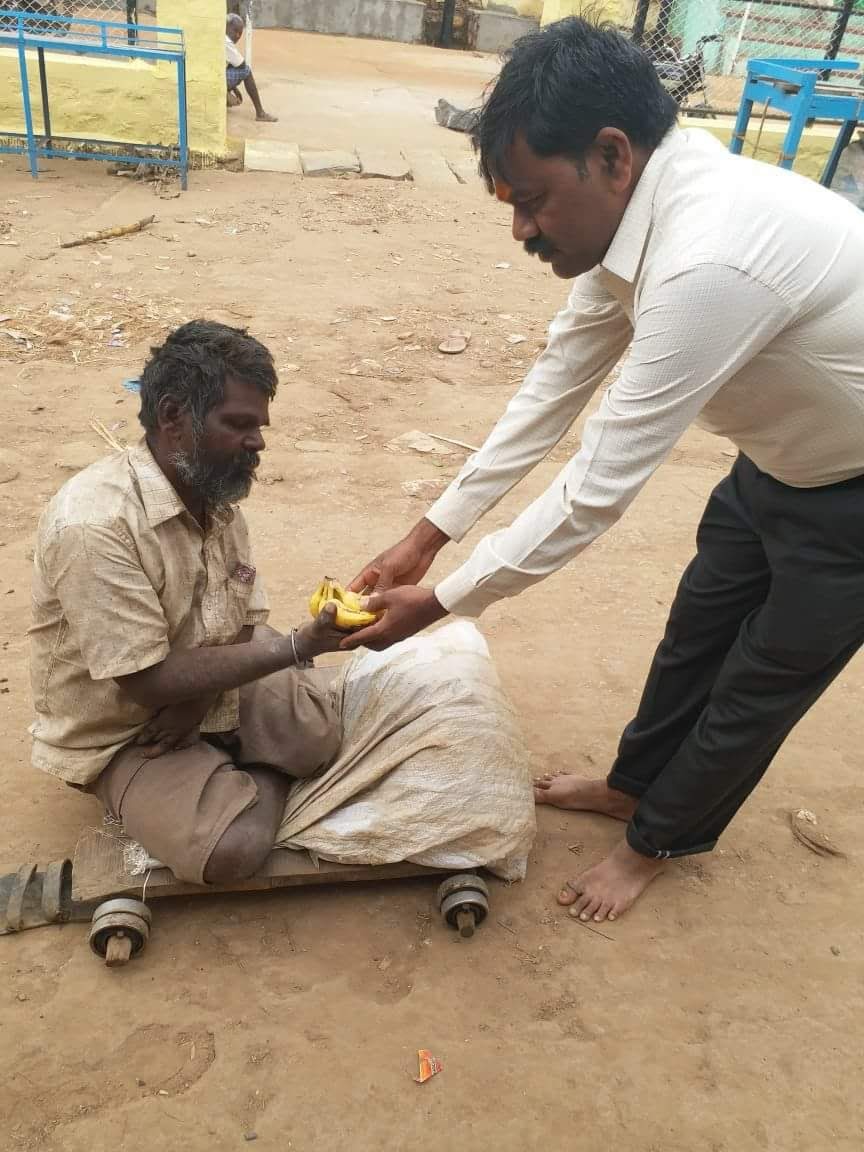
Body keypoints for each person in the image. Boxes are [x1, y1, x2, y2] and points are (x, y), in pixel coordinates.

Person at [340, 18, 864, 923]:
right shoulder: (637, 219)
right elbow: (553, 388)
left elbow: (593, 489)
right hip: (780, 462)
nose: (521, 229)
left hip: (853, 496)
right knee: (696, 631)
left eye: (534, 200)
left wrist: (446, 600)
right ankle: (632, 787)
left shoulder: (708, 258)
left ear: (612, 156)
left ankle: (654, 842)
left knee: (756, 683)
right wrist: (428, 536)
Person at [30, 321, 346, 885]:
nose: (258, 443)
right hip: (126, 728)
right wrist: (299, 646)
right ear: (174, 415)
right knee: (235, 850)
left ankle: (231, 762)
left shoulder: (214, 494)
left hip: (195, 688)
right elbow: (145, 683)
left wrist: (200, 704)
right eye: (239, 425)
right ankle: (240, 783)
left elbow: (246, 619)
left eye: (260, 426)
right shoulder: (95, 525)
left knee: (318, 735)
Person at [225, 13, 277, 123]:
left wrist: (234, 88)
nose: (238, 36)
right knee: (246, 71)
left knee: (231, 66)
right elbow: (242, 65)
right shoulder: (226, 42)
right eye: (238, 32)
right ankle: (260, 113)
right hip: (218, 78)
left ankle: (226, 96)